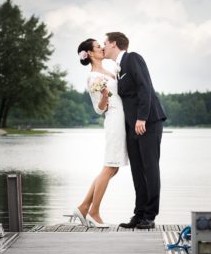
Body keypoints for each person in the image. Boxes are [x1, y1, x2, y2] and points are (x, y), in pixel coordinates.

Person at [102, 31, 166, 229]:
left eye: (105, 42)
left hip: (147, 122)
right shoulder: (119, 68)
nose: (103, 46)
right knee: (137, 171)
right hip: (131, 126)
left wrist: (141, 118)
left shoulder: (133, 58)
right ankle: (139, 214)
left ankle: (150, 215)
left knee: (150, 168)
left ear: (114, 44)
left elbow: (144, 87)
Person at [69, 38, 126, 227]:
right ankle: (93, 212)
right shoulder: (93, 77)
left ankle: (84, 206)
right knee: (110, 166)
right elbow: (99, 109)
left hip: (121, 118)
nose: (102, 48)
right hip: (114, 119)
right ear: (90, 53)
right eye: (97, 46)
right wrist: (103, 97)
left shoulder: (108, 71)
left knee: (113, 167)